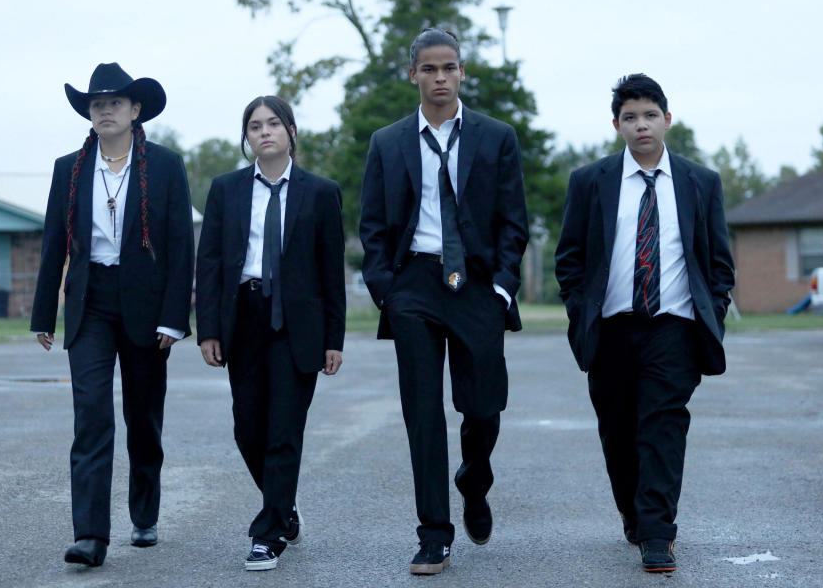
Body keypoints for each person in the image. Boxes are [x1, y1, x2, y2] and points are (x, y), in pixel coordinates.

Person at [359, 28, 528, 575]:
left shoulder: (495, 136)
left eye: (449, 68)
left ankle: (473, 482)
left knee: (484, 408)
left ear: (461, 73)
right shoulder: (388, 142)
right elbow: (374, 227)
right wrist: (387, 287)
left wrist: (502, 285)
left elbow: (513, 222)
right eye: (428, 69)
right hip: (414, 285)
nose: (439, 78)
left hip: (477, 285)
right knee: (423, 414)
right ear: (413, 74)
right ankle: (434, 533)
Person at [554, 74, 734, 572]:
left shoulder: (701, 182)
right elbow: (569, 258)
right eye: (630, 118)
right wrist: (577, 312)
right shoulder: (590, 181)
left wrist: (711, 312)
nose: (641, 126)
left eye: (650, 115)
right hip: (611, 328)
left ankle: (659, 532)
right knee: (618, 430)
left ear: (667, 120)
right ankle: (634, 513)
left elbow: (719, 262)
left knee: (663, 425)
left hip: (674, 326)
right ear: (617, 125)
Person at [30, 62, 194, 567]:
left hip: (146, 306)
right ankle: (91, 536)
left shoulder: (164, 166)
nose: (104, 110)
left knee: (142, 418)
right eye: (96, 104)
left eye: (114, 103)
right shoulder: (69, 168)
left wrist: (174, 318)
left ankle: (144, 514)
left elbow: (180, 245)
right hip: (91, 303)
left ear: (134, 110)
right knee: (93, 417)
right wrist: (43, 314)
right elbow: (55, 242)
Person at [195, 95, 345, 572]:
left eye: (274, 124)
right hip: (245, 318)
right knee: (248, 426)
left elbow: (330, 270)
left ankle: (269, 531)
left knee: (284, 429)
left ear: (291, 131)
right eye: (255, 126)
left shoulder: (320, 193)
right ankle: (283, 503)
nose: (265, 132)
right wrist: (208, 330)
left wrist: (334, 338)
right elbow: (212, 263)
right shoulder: (226, 189)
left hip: (299, 325)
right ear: (247, 138)